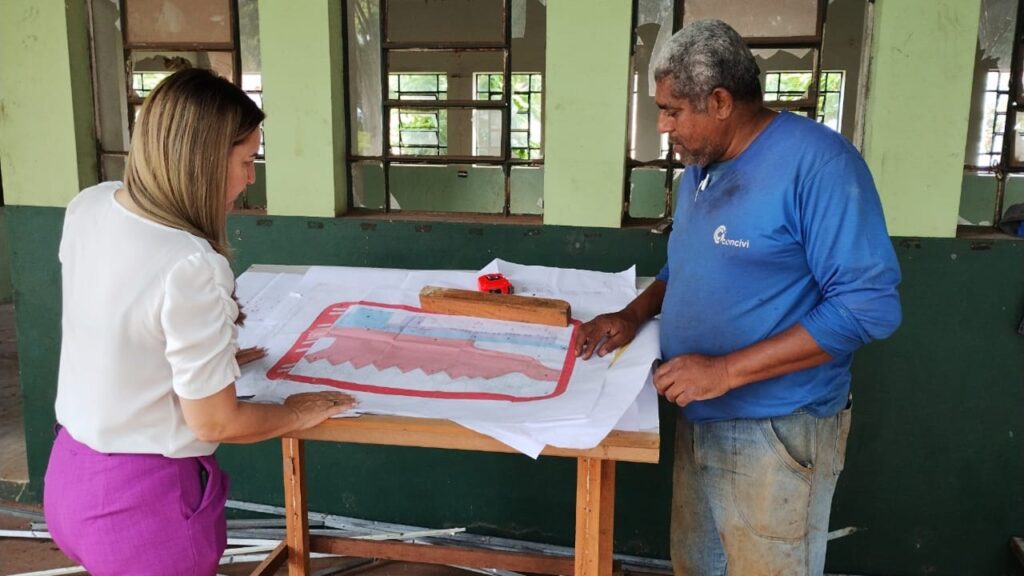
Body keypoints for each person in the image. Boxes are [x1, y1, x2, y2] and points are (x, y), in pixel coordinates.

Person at [575, 19, 902, 576]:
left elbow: (867, 307)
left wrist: (725, 371)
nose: (663, 126)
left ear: (720, 101)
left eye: (673, 110)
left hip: (777, 430)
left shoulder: (818, 165)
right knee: (697, 566)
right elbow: (685, 267)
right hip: (700, 416)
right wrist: (632, 314)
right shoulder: (699, 171)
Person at [43, 68, 356, 575]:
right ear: (203, 161)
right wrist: (298, 413)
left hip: (70, 477)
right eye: (245, 160)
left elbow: (115, 322)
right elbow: (215, 421)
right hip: (143, 503)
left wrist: (208, 362)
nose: (251, 178)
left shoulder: (92, 204)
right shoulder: (190, 264)